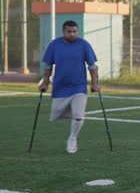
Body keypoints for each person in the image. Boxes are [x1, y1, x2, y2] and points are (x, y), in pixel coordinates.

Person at [38, 20, 100, 154]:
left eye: (75, 31)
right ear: (63, 32)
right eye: (69, 32)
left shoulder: (84, 45)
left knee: (78, 115)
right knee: (56, 114)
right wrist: (45, 82)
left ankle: (72, 138)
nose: (73, 34)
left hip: (79, 87)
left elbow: (92, 66)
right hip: (60, 87)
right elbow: (48, 66)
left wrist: (94, 83)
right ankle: (74, 115)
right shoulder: (54, 45)